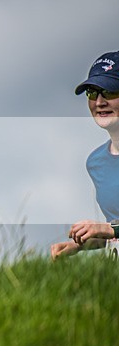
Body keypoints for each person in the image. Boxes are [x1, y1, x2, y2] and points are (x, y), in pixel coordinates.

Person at [51, 51, 119, 260]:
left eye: (108, 92)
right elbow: (114, 230)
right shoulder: (96, 162)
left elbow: (113, 229)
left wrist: (109, 229)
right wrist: (81, 244)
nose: (99, 102)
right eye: (92, 92)